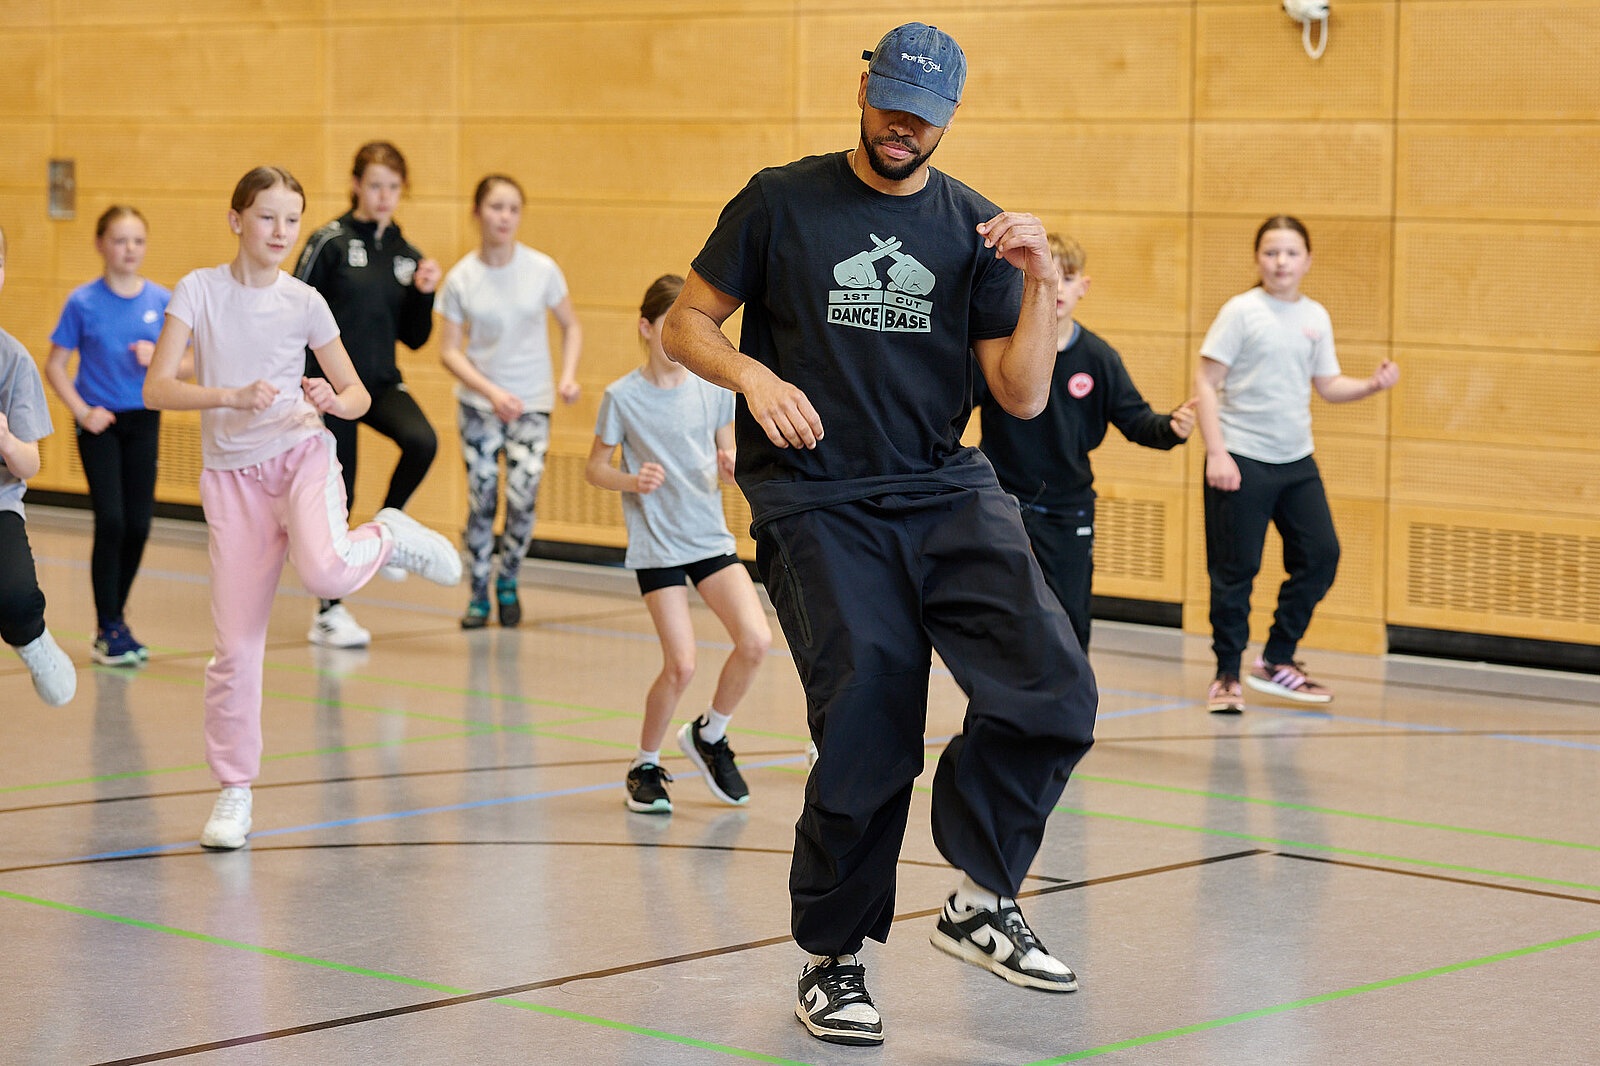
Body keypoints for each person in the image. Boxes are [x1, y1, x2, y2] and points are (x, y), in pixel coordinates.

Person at [661, 23, 1098, 1047]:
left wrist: (1039, 281)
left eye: (924, 114)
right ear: (861, 85)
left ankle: (980, 893)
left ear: (951, 116)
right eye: (890, 101)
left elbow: (1022, 397)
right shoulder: (779, 200)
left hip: (944, 487)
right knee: (869, 715)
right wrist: (753, 376)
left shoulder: (976, 229)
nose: (902, 126)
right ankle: (834, 957)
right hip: (818, 502)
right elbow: (687, 321)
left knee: (1055, 684)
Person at [144, 166, 461, 851]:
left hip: (300, 455)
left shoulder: (306, 302)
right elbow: (158, 386)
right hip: (231, 482)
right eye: (266, 217)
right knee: (235, 648)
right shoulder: (196, 291)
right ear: (236, 219)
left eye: (291, 219)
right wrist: (226, 396)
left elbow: (358, 396)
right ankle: (234, 792)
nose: (280, 232)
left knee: (323, 573)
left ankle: (387, 534)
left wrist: (330, 401)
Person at [1195, 215, 1398, 714]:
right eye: (1270, 252)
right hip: (1241, 458)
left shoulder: (1315, 317)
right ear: (1258, 258)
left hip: (1295, 462)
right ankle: (1226, 674)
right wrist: (1217, 452)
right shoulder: (1242, 312)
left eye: (1290, 253)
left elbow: (1327, 385)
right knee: (1235, 572)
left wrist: (1370, 385)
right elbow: (1204, 382)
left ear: (1307, 260)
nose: (1280, 261)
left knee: (1321, 555)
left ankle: (1277, 658)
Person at [585, 274, 770, 815]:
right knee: (681, 665)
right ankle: (644, 764)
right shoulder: (621, 397)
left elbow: (724, 444)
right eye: (667, 327)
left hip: (707, 535)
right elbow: (596, 468)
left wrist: (731, 459)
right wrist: (629, 479)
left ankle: (710, 734)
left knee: (756, 640)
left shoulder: (710, 388)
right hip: (659, 546)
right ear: (646, 329)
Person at [976, 233, 1196, 650]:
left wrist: (1171, 428)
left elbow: (1137, 421)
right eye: (1047, 274)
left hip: (1065, 506)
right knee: (999, 614)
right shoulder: (1000, 347)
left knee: (1070, 618)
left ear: (1083, 287)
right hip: (1001, 500)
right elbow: (952, 404)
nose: (1057, 284)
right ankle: (1001, 709)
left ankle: (1064, 710)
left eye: (1069, 276)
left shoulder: (1099, 358)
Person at [296, 140, 443, 649]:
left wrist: (424, 294)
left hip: (378, 383)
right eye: (375, 185)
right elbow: (294, 307)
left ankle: (388, 525)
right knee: (343, 490)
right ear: (356, 184)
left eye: (394, 187)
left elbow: (415, 337)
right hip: (330, 387)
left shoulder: (407, 256)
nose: (384, 196)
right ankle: (329, 612)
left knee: (422, 441)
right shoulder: (329, 242)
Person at [437, 174, 582, 628]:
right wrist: (491, 392)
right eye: (496, 207)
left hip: (532, 404)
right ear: (477, 212)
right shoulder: (461, 278)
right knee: (482, 499)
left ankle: (509, 578)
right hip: (481, 407)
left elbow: (571, 326)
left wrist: (568, 375)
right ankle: (478, 591)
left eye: (513, 208)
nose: (505, 216)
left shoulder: (542, 270)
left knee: (522, 498)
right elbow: (448, 351)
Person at [45, 206, 186, 665]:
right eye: (121, 240)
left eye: (138, 241)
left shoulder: (163, 301)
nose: (130, 250)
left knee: (140, 525)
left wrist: (160, 359)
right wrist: (83, 411)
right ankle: (109, 626)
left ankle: (115, 620)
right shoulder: (82, 302)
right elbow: (54, 366)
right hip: (100, 424)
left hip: (144, 420)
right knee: (112, 521)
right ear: (100, 244)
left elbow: (194, 363)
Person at [0, 223, 77, 707]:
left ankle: (32, 637)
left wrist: (6, 439)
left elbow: (29, 464)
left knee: (15, 598)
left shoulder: (13, 360)